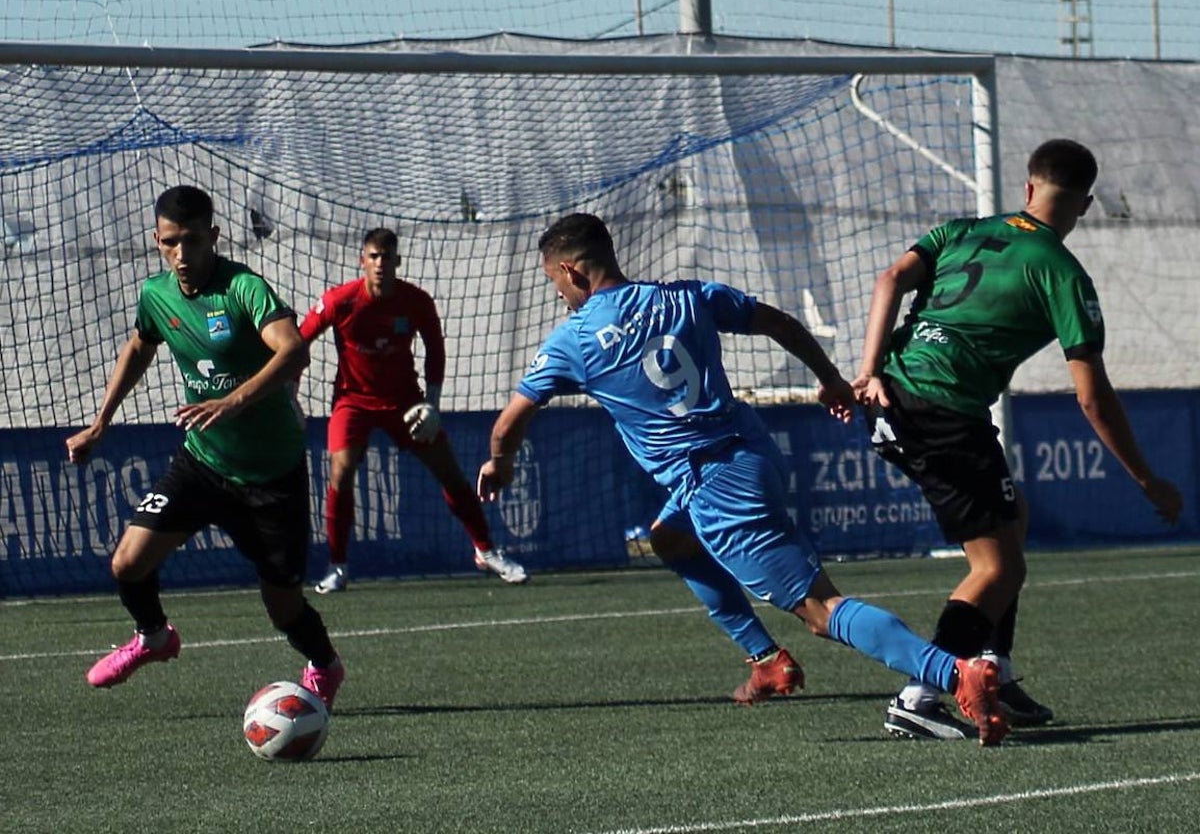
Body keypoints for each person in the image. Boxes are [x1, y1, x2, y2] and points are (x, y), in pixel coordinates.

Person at [477, 212, 1009, 745]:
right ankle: (767, 659)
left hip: (716, 486)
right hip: (753, 453)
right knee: (669, 536)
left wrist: (500, 463)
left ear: (571, 271)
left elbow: (508, 424)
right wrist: (829, 381)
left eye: (554, 284)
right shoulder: (687, 296)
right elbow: (783, 324)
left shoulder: (573, 341)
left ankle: (954, 675)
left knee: (822, 611)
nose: (559, 297)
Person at [852, 138, 1183, 740]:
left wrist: (869, 368)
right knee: (997, 566)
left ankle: (993, 669)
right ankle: (920, 695)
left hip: (893, 395)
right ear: (1083, 206)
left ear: (1029, 188)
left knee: (1014, 521)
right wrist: (1148, 480)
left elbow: (889, 279)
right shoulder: (1062, 271)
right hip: (942, 412)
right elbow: (1093, 398)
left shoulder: (960, 230)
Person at [66, 185, 345, 709]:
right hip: (203, 461)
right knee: (127, 564)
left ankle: (325, 665)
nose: (181, 254)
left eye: (192, 241)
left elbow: (294, 351)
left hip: (271, 473)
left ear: (213, 237)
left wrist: (233, 401)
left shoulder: (243, 288)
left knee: (283, 608)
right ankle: (154, 636)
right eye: (170, 242)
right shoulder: (156, 294)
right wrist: (100, 423)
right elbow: (139, 346)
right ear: (156, 240)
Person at [300, 227, 527, 593]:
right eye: (373, 256)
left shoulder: (416, 300)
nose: (379, 264)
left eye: (386, 257)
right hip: (352, 401)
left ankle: (486, 550)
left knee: (450, 472)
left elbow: (435, 350)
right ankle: (337, 566)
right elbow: (298, 342)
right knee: (340, 471)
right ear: (362, 261)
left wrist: (432, 406)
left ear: (397, 262)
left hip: (406, 402)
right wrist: (291, 395)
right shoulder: (339, 301)